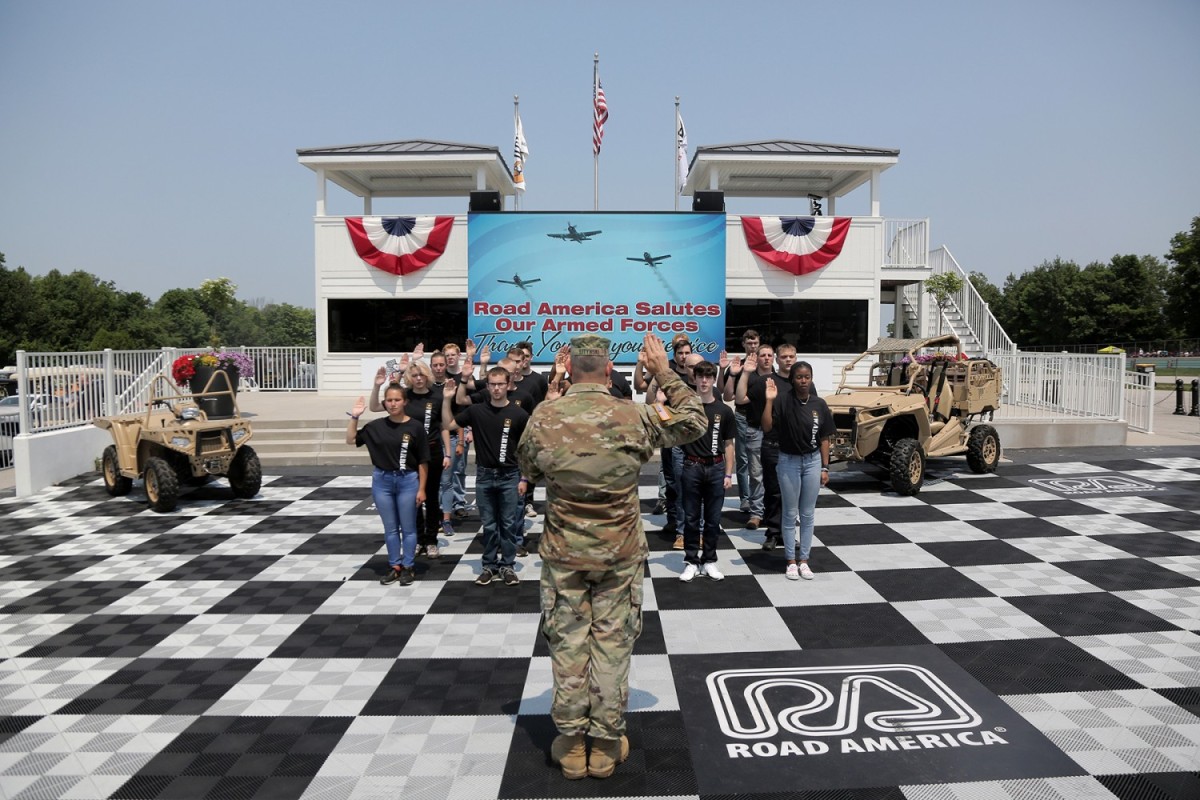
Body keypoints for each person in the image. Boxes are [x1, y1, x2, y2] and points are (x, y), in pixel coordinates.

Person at [519, 333, 706, 780]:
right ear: (608, 371)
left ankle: (569, 739)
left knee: (568, 644)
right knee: (611, 644)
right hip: (619, 556)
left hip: (564, 555)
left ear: (570, 370)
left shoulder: (546, 417)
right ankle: (603, 743)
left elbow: (527, 468)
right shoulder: (634, 415)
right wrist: (663, 371)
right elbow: (694, 421)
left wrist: (554, 398)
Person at [443, 367, 529, 587]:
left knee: (509, 524)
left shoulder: (519, 414)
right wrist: (446, 401)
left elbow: (528, 448)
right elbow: (448, 425)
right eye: (492, 384)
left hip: (510, 475)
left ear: (508, 385)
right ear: (487, 386)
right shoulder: (476, 411)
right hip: (484, 476)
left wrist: (524, 478)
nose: (497, 388)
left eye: (501, 384)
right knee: (489, 525)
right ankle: (489, 565)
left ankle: (507, 565)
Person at [347, 383, 429, 586]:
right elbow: (351, 440)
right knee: (390, 528)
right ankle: (395, 566)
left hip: (408, 481)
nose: (393, 404)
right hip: (382, 481)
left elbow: (423, 461)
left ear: (405, 402)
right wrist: (355, 417)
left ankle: (408, 566)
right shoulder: (375, 426)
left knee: (409, 528)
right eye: (389, 400)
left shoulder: (416, 426)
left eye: (397, 400)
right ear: (384, 403)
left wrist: (421, 488)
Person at [762, 361, 834, 580]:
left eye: (807, 377)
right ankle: (790, 561)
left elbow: (824, 438)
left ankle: (804, 560)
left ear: (811, 378)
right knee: (790, 513)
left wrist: (825, 466)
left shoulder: (819, 404)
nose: (803, 381)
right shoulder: (783, 400)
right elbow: (766, 427)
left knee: (808, 514)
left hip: (812, 462)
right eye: (799, 377)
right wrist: (769, 400)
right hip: (788, 461)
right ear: (792, 379)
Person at [679, 359, 736, 582]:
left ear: (713, 380)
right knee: (691, 518)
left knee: (713, 520)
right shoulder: (687, 406)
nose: (704, 381)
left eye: (708, 377)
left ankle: (709, 560)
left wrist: (729, 473)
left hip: (716, 467)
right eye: (700, 376)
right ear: (694, 379)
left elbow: (729, 444)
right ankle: (691, 561)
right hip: (691, 466)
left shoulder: (724, 410)